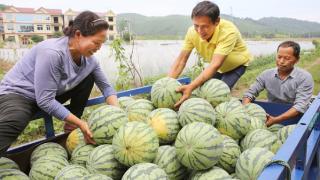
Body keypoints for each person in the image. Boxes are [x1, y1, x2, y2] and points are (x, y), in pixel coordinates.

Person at [0, 11, 118, 157]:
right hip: (18, 95)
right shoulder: (52, 52)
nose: (99, 48)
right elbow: (45, 100)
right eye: (96, 42)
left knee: (88, 77)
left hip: (47, 94)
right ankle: (74, 122)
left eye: (101, 44)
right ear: (78, 34)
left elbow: (106, 87)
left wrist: (118, 114)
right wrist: (81, 123)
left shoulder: (90, 61)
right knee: (16, 119)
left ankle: (70, 125)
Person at [168, 1, 251, 107]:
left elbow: (215, 64)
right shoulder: (192, 32)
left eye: (204, 26)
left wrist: (191, 86)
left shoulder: (228, 32)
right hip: (217, 66)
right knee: (201, 92)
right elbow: (181, 61)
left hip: (236, 66)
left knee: (216, 96)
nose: (199, 31)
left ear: (217, 21)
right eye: (196, 26)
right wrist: (166, 84)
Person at [242, 41, 314, 126]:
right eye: (279, 57)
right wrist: (246, 110)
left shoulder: (304, 78)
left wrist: (275, 120)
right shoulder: (266, 74)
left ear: (297, 59)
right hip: (273, 111)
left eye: (287, 58)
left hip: (295, 117)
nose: (281, 61)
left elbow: (299, 106)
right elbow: (250, 93)